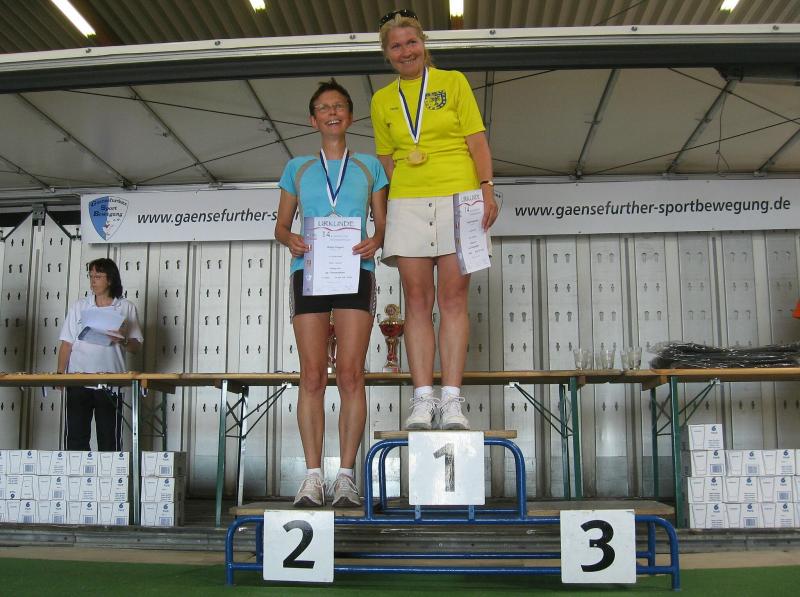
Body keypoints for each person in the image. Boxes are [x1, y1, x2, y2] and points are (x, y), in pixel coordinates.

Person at [371, 10, 499, 431]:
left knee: (454, 299)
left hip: (459, 196)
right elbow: (386, 158)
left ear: (424, 44)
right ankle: (423, 399)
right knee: (416, 300)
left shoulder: (453, 82)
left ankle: (453, 401)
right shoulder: (381, 99)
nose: (405, 51)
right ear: (387, 54)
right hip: (408, 200)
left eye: (411, 42)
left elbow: (477, 140)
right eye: (396, 46)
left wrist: (486, 188)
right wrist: (401, 197)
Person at [275, 79, 388, 507]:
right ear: (313, 119)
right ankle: (312, 477)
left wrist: (376, 241)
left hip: (355, 271)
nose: (332, 112)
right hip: (309, 272)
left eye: (339, 106)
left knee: (351, 374)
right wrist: (291, 240)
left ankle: (345, 477)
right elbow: (281, 226)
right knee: (311, 375)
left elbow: (382, 225)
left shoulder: (370, 167)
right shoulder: (298, 167)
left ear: (350, 116)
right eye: (323, 107)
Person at [57, 258, 143, 451]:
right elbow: (66, 343)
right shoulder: (79, 306)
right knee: (76, 439)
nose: (93, 281)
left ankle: (110, 473)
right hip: (78, 380)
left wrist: (122, 340)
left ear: (110, 279)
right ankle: (78, 472)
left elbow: (136, 346)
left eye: (98, 276)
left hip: (111, 381)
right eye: (91, 276)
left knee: (109, 440)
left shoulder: (126, 307)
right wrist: (60, 375)